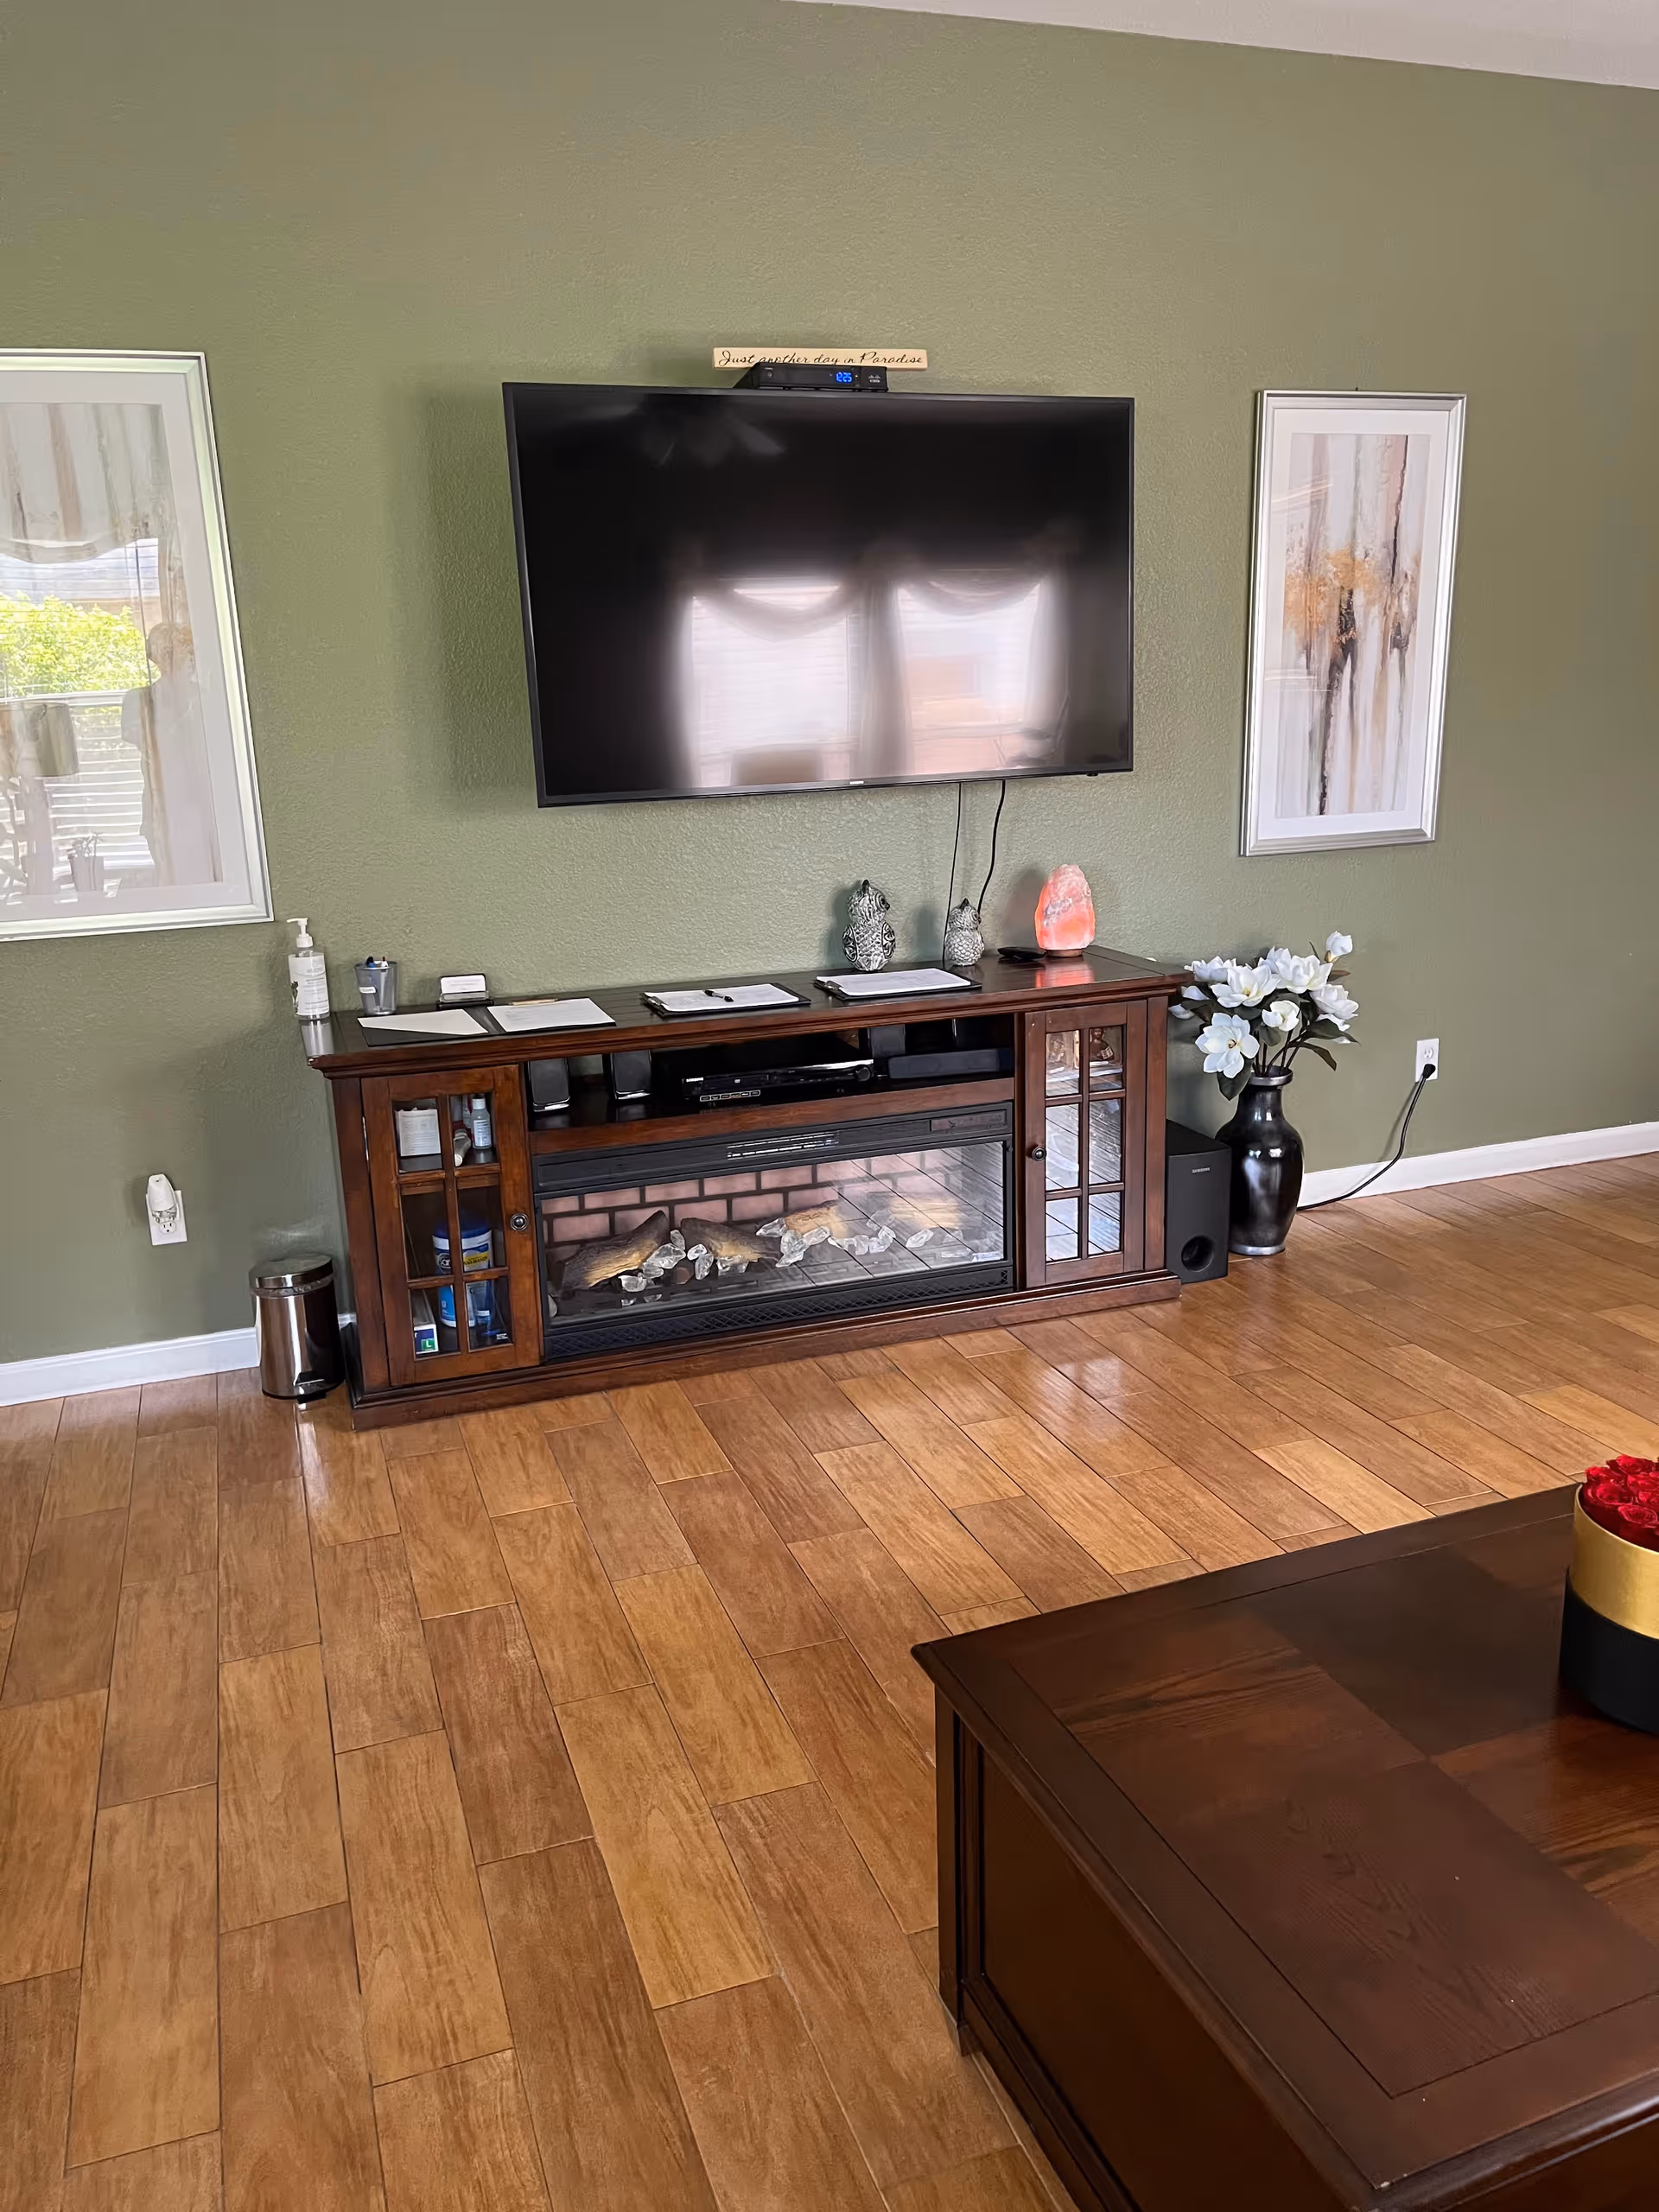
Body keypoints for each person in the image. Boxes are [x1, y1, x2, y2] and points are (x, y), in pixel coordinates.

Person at [122, 621, 220, 886]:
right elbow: (151, 744)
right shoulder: (139, 700)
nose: (170, 656)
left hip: (203, 802)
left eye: (176, 649)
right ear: (152, 657)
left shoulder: (209, 697)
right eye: (162, 650)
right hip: (162, 802)